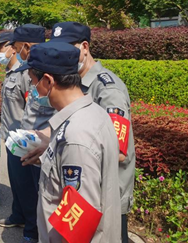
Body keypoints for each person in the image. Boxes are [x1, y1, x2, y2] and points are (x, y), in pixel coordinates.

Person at [19, 41, 121, 243]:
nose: (33, 89)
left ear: (48, 81)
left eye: (33, 82)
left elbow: (79, 220)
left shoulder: (76, 136)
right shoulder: (92, 113)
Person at [49, 21, 135, 243]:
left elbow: (118, 151)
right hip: (81, 189)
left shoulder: (108, 89)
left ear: (84, 47)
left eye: (67, 49)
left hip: (107, 194)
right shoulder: (73, 83)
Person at [0, 28, 44, 243]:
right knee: (16, 182)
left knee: (27, 187)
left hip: (24, 141)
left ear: (20, 47)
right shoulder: (12, 71)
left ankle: (31, 229)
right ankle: (18, 215)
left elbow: (32, 108)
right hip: (11, 137)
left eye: (3, 47)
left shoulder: (26, 74)